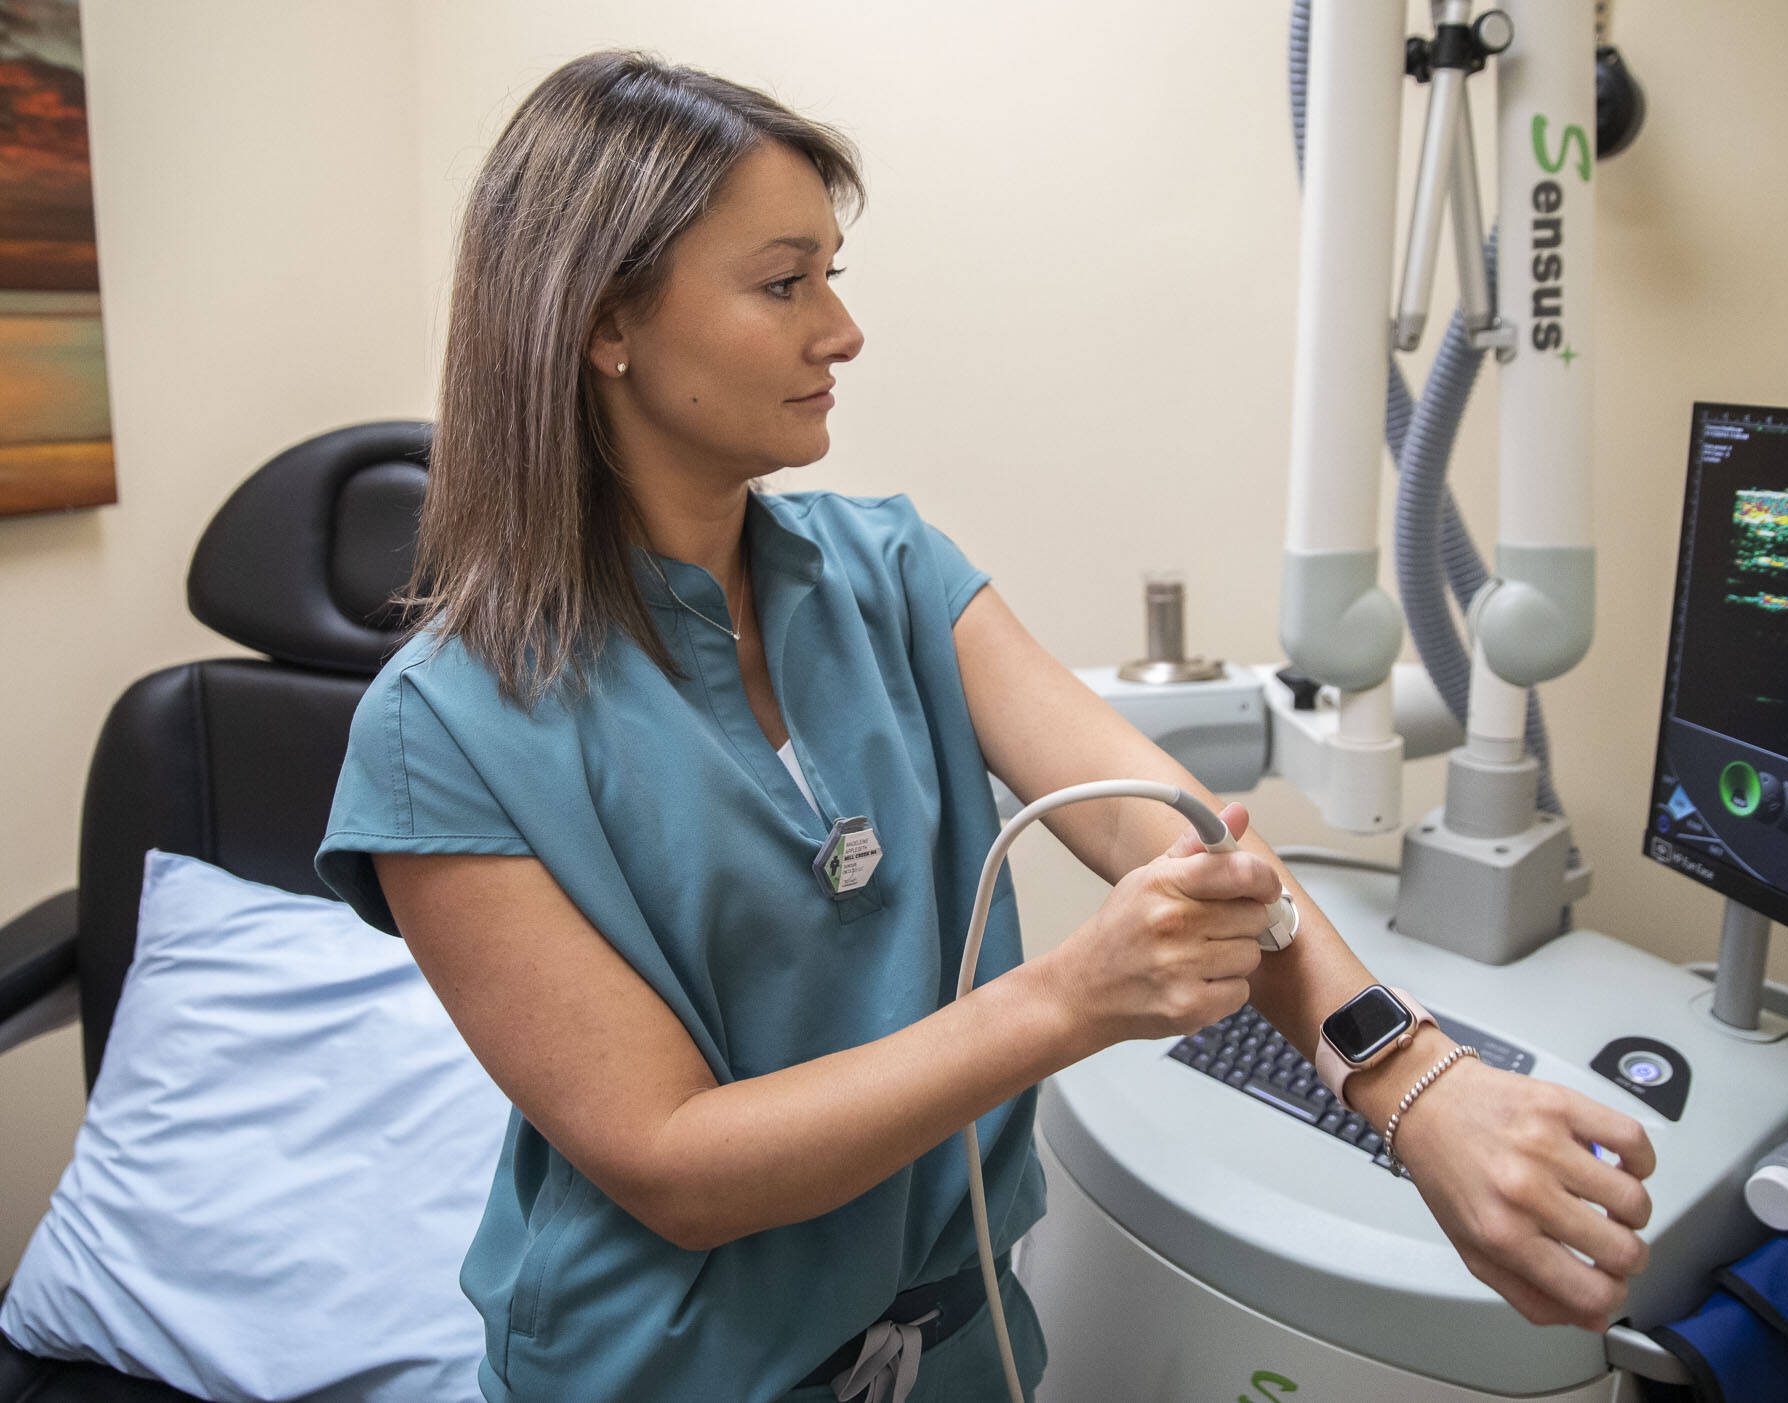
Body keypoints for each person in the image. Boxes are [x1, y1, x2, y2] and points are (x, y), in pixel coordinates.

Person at [315, 50, 1655, 1403]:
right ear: (608, 320)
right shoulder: (445, 732)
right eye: (785, 283)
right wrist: (1067, 1000)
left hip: (958, 1342)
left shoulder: (893, 574)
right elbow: (675, 1167)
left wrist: (1413, 1082)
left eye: (833, 276)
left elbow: (1168, 832)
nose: (840, 330)